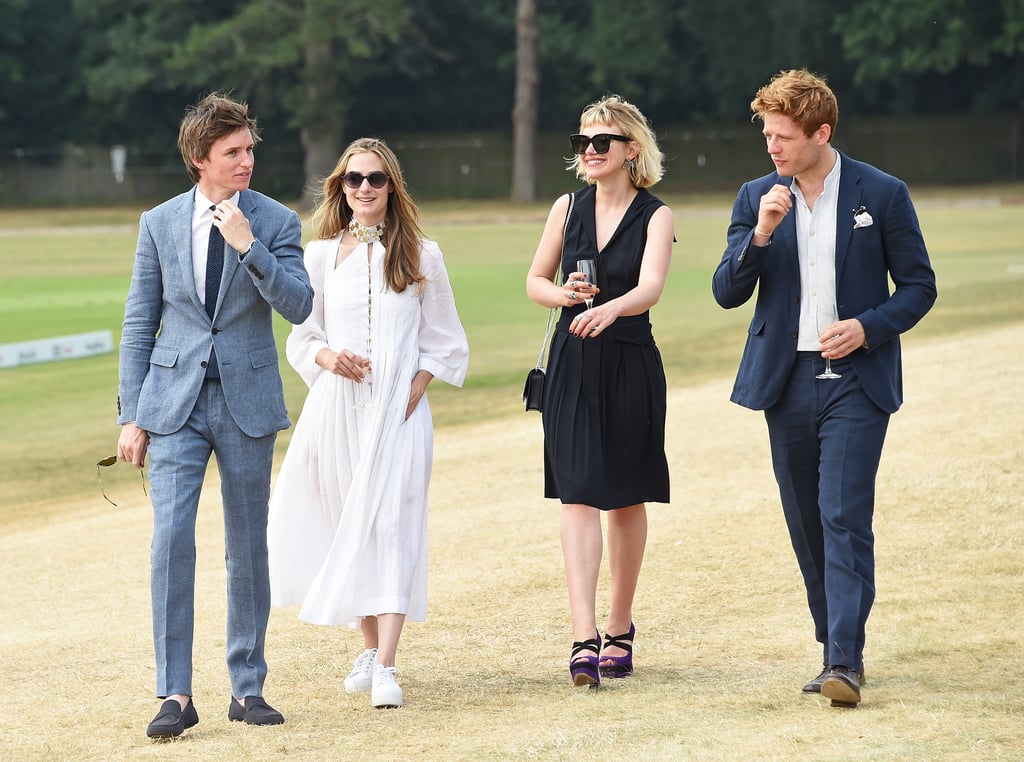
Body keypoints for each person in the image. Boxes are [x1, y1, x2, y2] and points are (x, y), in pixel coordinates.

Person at [712, 69, 937, 707]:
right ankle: (830, 641)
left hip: (858, 383)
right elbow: (727, 293)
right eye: (767, 135)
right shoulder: (757, 195)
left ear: (822, 132)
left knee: (842, 514)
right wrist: (759, 234)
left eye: (784, 136)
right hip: (785, 383)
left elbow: (920, 288)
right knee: (806, 521)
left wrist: (867, 328)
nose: (773, 147)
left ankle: (845, 659)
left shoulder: (883, 193)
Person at [116, 93, 313, 738]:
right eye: (233, 152)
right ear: (200, 159)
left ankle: (247, 687)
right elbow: (140, 321)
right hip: (173, 405)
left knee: (246, 546)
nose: (247, 161)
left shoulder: (276, 221)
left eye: (250, 149)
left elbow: (300, 305)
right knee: (170, 543)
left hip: (247, 404)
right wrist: (131, 415)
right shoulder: (159, 223)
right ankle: (174, 694)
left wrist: (249, 246)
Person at [267, 138, 469, 709]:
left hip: (399, 415)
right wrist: (328, 357)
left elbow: (445, 339)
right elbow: (303, 337)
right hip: (338, 411)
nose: (364, 188)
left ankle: (387, 663)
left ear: (391, 186)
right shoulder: (320, 256)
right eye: (354, 179)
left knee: (394, 524)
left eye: (375, 179)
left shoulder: (422, 254)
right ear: (341, 187)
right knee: (346, 520)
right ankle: (367, 644)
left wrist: (416, 386)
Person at [526, 95, 674, 688]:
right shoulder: (566, 208)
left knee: (626, 496)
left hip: (630, 361)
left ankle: (620, 625)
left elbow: (652, 287)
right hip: (574, 362)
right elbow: (536, 280)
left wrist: (609, 309)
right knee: (578, 494)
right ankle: (583, 636)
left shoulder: (656, 214)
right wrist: (563, 296)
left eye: (601, 142)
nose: (588, 151)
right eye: (582, 142)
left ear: (630, 150)